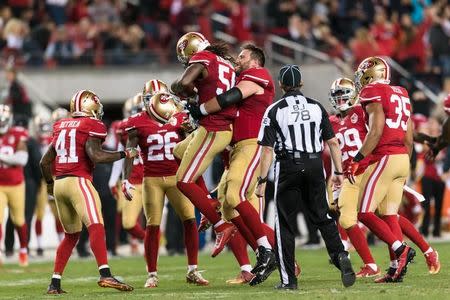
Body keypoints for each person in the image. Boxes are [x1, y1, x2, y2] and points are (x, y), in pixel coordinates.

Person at [256, 65, 355, 290]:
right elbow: (332, 143)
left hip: (288, 165)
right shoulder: (317, 107)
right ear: (301, 84)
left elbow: (267, 150)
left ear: (281, 85)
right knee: (323, 217)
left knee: (284, 225)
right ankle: (340, 254)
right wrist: (338, 172)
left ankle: (288, 281)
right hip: (314, 163)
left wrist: (261, 181)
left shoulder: (275, 109)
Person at [188, 43, 279, 285]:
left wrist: (202, 109)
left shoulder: (257, 75)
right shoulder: (241, 76)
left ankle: (267, 251)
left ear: (256, 61)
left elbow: (232, 96)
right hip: (237, 150)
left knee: (236, 195)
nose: (238, 60)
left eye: (243, 56)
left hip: (252, 144)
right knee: (229, 208)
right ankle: (267, 258)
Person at [40, 90, 136, 294]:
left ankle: (54, 284)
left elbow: (45, 161)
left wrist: (50, 184)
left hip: (60, 184)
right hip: (78, 182)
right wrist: (124, 153)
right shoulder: (91, 125)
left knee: (71, 236)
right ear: (89, 107)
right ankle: (105, 274)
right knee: (96, 225)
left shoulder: (61, 125)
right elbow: (96, 155)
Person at [123, 91, 208, 288]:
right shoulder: (137, 122)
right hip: (152, 179)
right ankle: (151, 274)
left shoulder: (178, 116)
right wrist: (125, 179)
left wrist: (190, 126)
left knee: (189, 220)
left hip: (177, 176)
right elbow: (131, 152)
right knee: (152, 226)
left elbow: (193, 142)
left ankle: (193, 270)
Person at [347, 56, 415, 283]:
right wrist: (407, 166)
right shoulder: (402, 93)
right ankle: (396, 268)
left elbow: (375, 131)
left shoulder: (373, 92)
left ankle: (400, 249)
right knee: (389, 215)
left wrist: (358, 158)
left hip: (386, 156)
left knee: (364, 212)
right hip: (402, 158)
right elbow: (409, 137)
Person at [170, 32, 238, 256]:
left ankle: (221, 225)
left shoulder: (203, 58)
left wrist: (190, 95)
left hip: (214, 127)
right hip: (218, 124)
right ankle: (209, 202)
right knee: (177, 151)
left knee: (183, 181)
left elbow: (183, 83)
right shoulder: (224, 62)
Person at [0, 104, 29, 266]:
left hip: (16, 183)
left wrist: (3, 158)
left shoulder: (17, 134)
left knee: (18, 220)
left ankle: (23, 250)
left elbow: (22, 159)